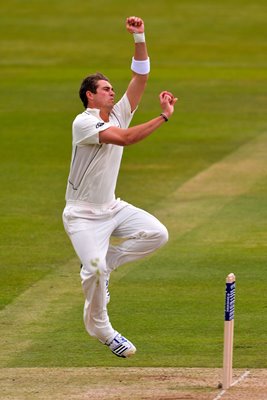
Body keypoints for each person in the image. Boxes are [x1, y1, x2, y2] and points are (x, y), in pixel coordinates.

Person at [63, 16, 177, 358]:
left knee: (157, 234)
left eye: (113, 88)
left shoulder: (118, 112)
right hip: (82, 215)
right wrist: (164, 117)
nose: (113, 91)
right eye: (106, 89)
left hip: (112, 208)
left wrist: (139, 36)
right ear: (90, 96)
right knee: (94, 269)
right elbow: (125, 140)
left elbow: (140, 75)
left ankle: (107, 264)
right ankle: (102, 329)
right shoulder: (84, 123)